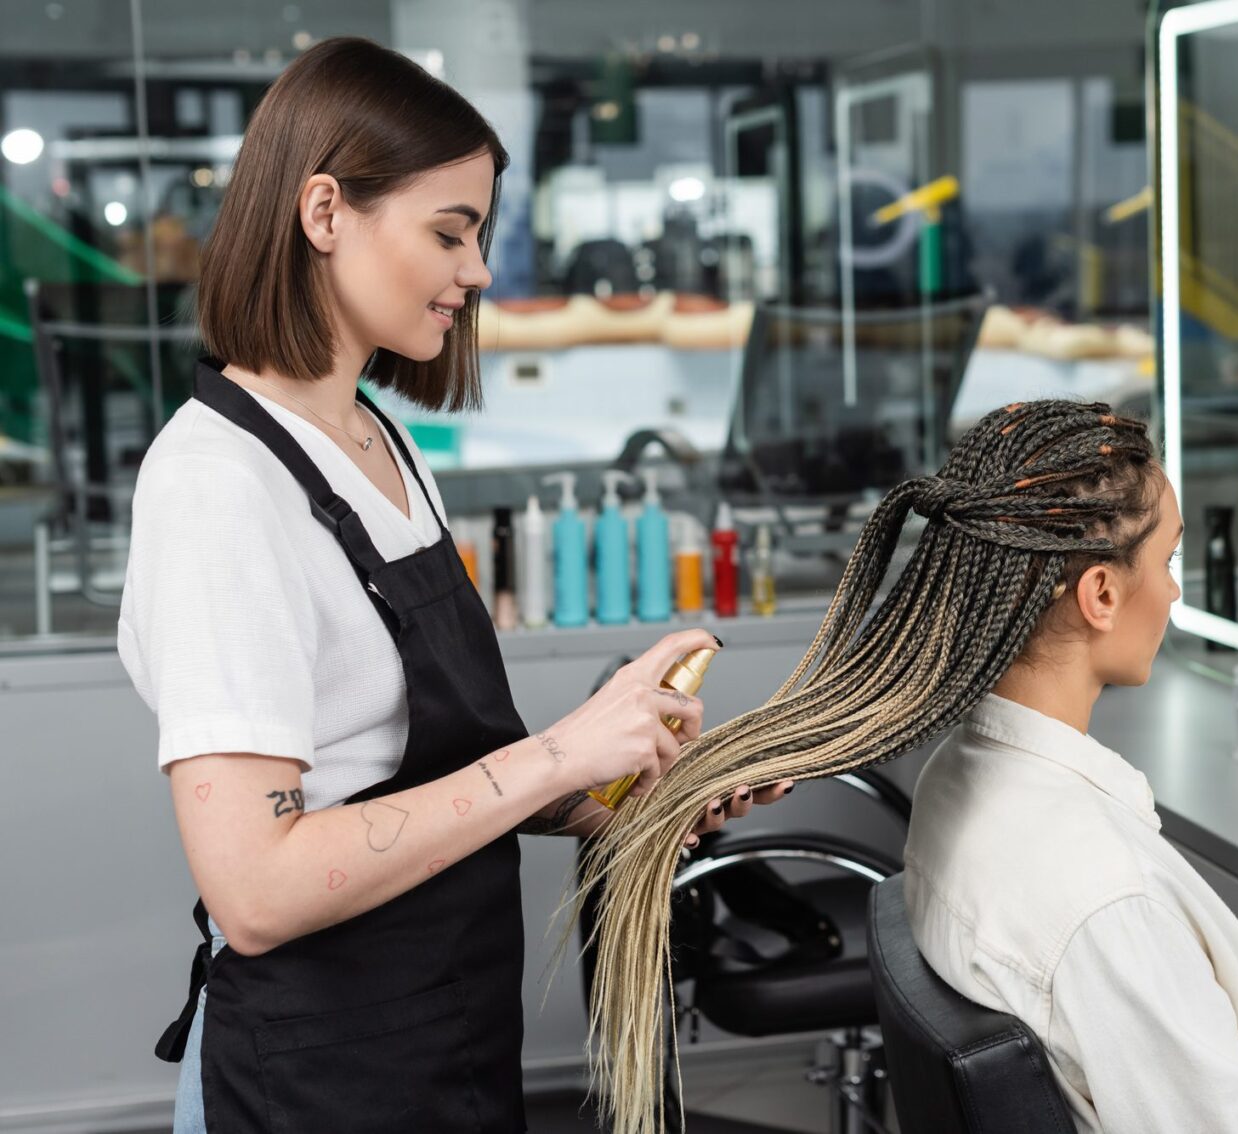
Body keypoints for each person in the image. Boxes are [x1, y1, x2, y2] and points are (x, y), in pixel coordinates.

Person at [116, 38, 789, 1133]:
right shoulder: (218, 485)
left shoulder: (378, 442)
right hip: (317, 1076)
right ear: (324, 212)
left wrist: (631, 788)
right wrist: (556, 753)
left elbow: (419, 774)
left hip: (446, 1039)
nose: (476, 272)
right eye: (449, 232)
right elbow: (258, 891)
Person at [576, 400, 1238, 1134]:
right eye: (1167, 560)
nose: (1175, 589)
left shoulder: (960, 773)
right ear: (1102, 593)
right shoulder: (1104, 902)